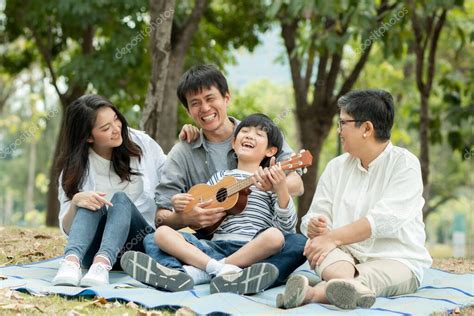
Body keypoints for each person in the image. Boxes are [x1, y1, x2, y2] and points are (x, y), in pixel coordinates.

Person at [121, 64, 307, 294]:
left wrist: (275, 185)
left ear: (226, 98)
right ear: (188, 111)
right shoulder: (186, 151)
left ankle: (200, 273)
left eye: (210, 98)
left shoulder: (255, 131)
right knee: (154, 238)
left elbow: (296, 184)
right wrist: (184, 215)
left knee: (296, 243)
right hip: (211, 241)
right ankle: (206, 274)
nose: (205, 108)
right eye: (195, 103)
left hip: (255, 242)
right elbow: (161, 217)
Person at [277, 89, 432, 309]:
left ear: (367, 128)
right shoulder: (336, 167)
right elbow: (313, 215)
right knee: (317, 244)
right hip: (341, 257)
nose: (338, 130)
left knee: (366, 277)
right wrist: (315, 227)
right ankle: (345, 288)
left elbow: (382, 220)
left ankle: (311, 293)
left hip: (396, 259)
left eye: (343, 123)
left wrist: (332, 238)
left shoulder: (404, 165)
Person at [52, 94, 168, 287]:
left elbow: (172, 174)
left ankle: (102, 264)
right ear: (89, 137)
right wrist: (76, 202)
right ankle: (71, 262)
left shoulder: (142, 143)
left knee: (120, 199)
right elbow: (67, 228)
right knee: (91, 200)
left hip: (137, 247)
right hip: (92, 250)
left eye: (116, 120)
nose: (116, 129)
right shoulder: (74, 169)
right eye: (106, 128)